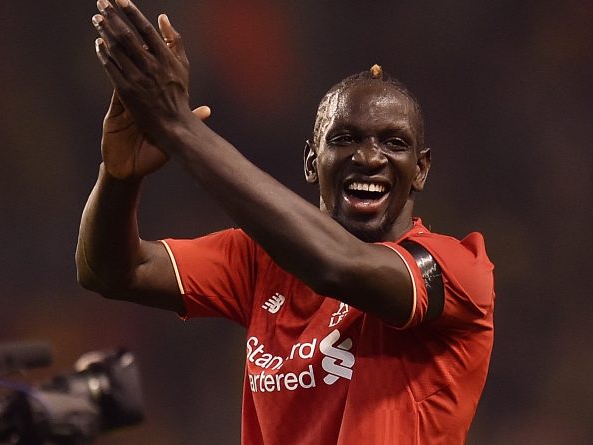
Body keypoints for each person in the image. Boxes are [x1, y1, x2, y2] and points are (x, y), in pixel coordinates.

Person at [77, 0, 496, 443]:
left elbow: (336, 266)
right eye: (345, 139)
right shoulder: (259, 261)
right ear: (312, 162)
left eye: (393, 142)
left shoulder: (456, 271)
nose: (370, 157)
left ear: (421, 169)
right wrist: (118, 177)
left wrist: (180, 127)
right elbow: (109, 271)